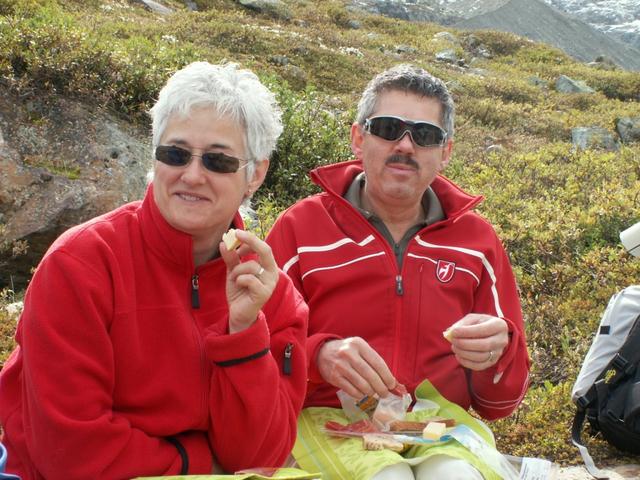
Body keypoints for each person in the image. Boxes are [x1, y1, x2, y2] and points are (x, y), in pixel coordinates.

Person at [0, 61, 308, 479]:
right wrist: (200, 462)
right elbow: (69, 453)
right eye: (175, 153)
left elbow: (261, 456)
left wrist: (243, 331)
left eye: (218, 161)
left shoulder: (272, 295)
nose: (192, 175)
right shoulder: (80, 265)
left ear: (255, 174)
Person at [266, 64, 530, 479]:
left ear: (445, 152)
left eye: (425, 135)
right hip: (328, 419)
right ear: (359, 138)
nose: (406, 145)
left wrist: (499, 353)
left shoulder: (477, 243)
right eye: (388, 128)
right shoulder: (299, 229)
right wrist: (317, 355)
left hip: (438, 423)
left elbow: (499, 405)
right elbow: (257, 347)